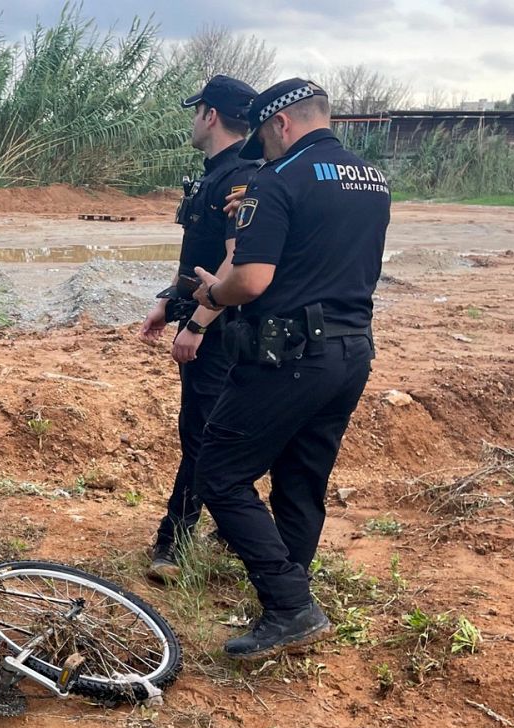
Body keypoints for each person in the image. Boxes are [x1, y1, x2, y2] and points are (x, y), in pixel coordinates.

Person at [189, 79, 391, 660]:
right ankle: (289, 594)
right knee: (302, 478)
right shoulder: (371, 178)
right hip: (351, 351)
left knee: (220, 472)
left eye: (263, 136)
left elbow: (251, 280)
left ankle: (289, 605)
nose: (261, 149)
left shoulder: (275, 182)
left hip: (288, 354)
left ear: (280, 125)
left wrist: (216, 290)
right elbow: (322, 246)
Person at [138, 75, 258, 583]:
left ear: (210, 115)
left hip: (223, 327)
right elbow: (200, 256)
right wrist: (170, 299)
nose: (192, 121)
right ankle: (228, 530)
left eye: (196, 112)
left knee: (203, 435)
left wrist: (199, 324)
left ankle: (175, 539)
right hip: (206, 314)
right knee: (215, 429)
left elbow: (236, 261)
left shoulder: (241, 179)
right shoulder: (216, 175)